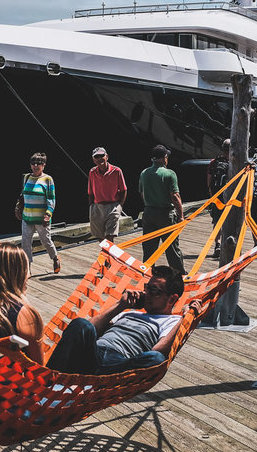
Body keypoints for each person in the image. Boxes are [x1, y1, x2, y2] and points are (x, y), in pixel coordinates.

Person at [46, 265, 202, 375]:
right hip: (93, 354)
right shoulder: (129, 312)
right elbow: (89, 329)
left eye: (154, 290)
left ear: (172, 298)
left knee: (155, 359)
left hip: (119, 366)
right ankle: (47, 382)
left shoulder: (172, 322)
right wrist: (120, 305)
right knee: (81, 323)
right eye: (147, 287)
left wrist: (186, 320)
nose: (146, 293)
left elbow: (158, 351)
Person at [139, 144, 184, 273]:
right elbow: (175, 196)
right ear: (164, 158)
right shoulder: (169, 174)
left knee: (149, 247)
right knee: (171, 247)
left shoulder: (144, 173)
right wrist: (181, 216)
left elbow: (142, 193)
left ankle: (147, 272)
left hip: (148, 213)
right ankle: (178, 274)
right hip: (166, 214)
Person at [15, 152, 61, 273]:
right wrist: (18, 207)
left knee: (46, 241)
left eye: (38, 164)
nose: (35, 166)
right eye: (33, 163)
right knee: (25, 242)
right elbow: (22, 195)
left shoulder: (48, 179)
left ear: (43, 165)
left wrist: (48, 214)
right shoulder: (27, 178)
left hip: (42, 219)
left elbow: (51, 199)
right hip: (27, 217)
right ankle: (27, 269)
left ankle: (55, 257)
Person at [88, 147, 127, 244]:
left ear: (107, 157)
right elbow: (90, 192)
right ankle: (108, 258)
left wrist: (119, 207)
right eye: (96, 157)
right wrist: (91, 207)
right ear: (93, 160)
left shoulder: (117, 171)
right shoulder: (92, 172)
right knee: (100, 238)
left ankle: (108, 258)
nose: (99, 158)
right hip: (97, 208)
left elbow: (123, 190)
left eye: (102, 156)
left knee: (109, 237)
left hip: (112, 206)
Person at [207, 139, 231, 226]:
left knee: (216, 219)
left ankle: (216, 239)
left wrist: (210, 191)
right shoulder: (234, 163)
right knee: (229, 218)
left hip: (217, 193)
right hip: (231, 195)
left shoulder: (214, 162)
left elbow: (209, 178)